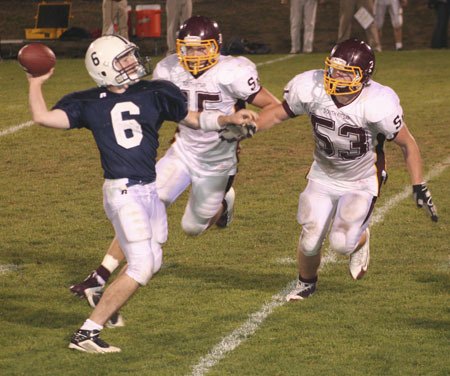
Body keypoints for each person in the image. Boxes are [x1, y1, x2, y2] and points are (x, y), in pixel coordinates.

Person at [25, 35, 257, 353]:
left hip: (148, 187)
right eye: (124, 59)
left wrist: (227, 118)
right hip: (123, 192)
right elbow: (43, 117)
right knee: (141, 266)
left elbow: (193, 119)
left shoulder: (154, 92)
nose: (133, 62)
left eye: (131, 56)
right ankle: (87, 333)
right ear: (105, 68)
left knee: (153, 258)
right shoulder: (88, 102)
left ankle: (107, 301)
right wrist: (36, 82)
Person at [69, 16, 280, 317]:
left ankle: (223, 203)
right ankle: (101, 274)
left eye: (200, 49)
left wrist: (249, 127)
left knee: (192, 228)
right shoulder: (168, 69)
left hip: (218, 161)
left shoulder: (233, 71)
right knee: (142, 202)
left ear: (216, 47)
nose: (192, 57)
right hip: (182, 150)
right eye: (187, 49)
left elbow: (271, 105)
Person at [250, 38, 438, 300]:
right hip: (324, 173)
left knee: (341, 243)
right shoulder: (311, 87)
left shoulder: (378, 103)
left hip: (362, 179)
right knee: (310, 236)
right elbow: (279, 113)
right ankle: (306, 283)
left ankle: (360, 238)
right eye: (333, 68)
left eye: (345, 72)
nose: (335, 76)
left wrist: (419, 184)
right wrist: (249, 127)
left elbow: (408, 144)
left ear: (363, 76)